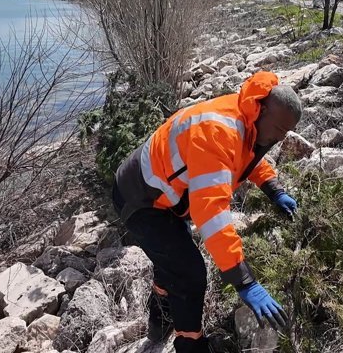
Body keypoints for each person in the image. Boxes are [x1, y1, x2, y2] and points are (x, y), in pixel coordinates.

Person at [112, 71, 302, 353]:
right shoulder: (218, 132)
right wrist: (244, 281)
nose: (279, 138)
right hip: (140, 196)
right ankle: (190, 346)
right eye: (278, 129)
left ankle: (158, 323)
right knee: (190, 273)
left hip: (163, 193)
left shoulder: (248, 115)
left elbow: (247, 155)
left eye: (285, 133)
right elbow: (211, 213)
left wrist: (273, 189)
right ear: (262, 110)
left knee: (173, 260)